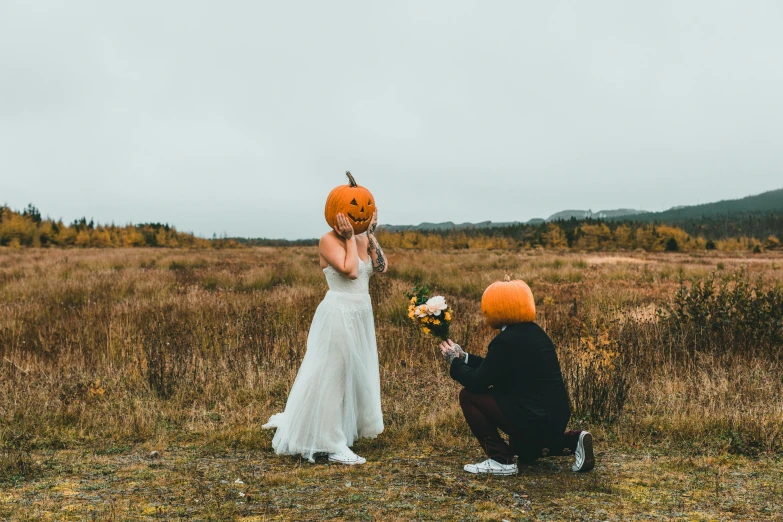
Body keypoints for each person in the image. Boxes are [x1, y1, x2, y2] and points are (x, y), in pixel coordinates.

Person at [263, 209, 388, 465]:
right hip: (338, 314)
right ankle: (332, 445)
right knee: (333, 375)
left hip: (361, 315)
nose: (359, 213)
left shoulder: (364, 238)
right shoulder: (328, 240)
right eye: (353, 210)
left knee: (353, 374)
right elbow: (351, 271)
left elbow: (382, 268)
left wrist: (370, 234)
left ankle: (336, 430)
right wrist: (351, 238)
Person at [439, 280, 594, 475]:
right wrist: (464, 357)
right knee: (524, 452)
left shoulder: (505, 341)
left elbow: (477, 382)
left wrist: (454, 362)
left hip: (532, 417)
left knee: (468, 396)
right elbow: (493, 368)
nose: (484, 311)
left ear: (498, 308)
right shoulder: (535, 332)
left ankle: (500, 459)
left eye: (487, 306)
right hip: (553, 416)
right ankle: (574, 440)